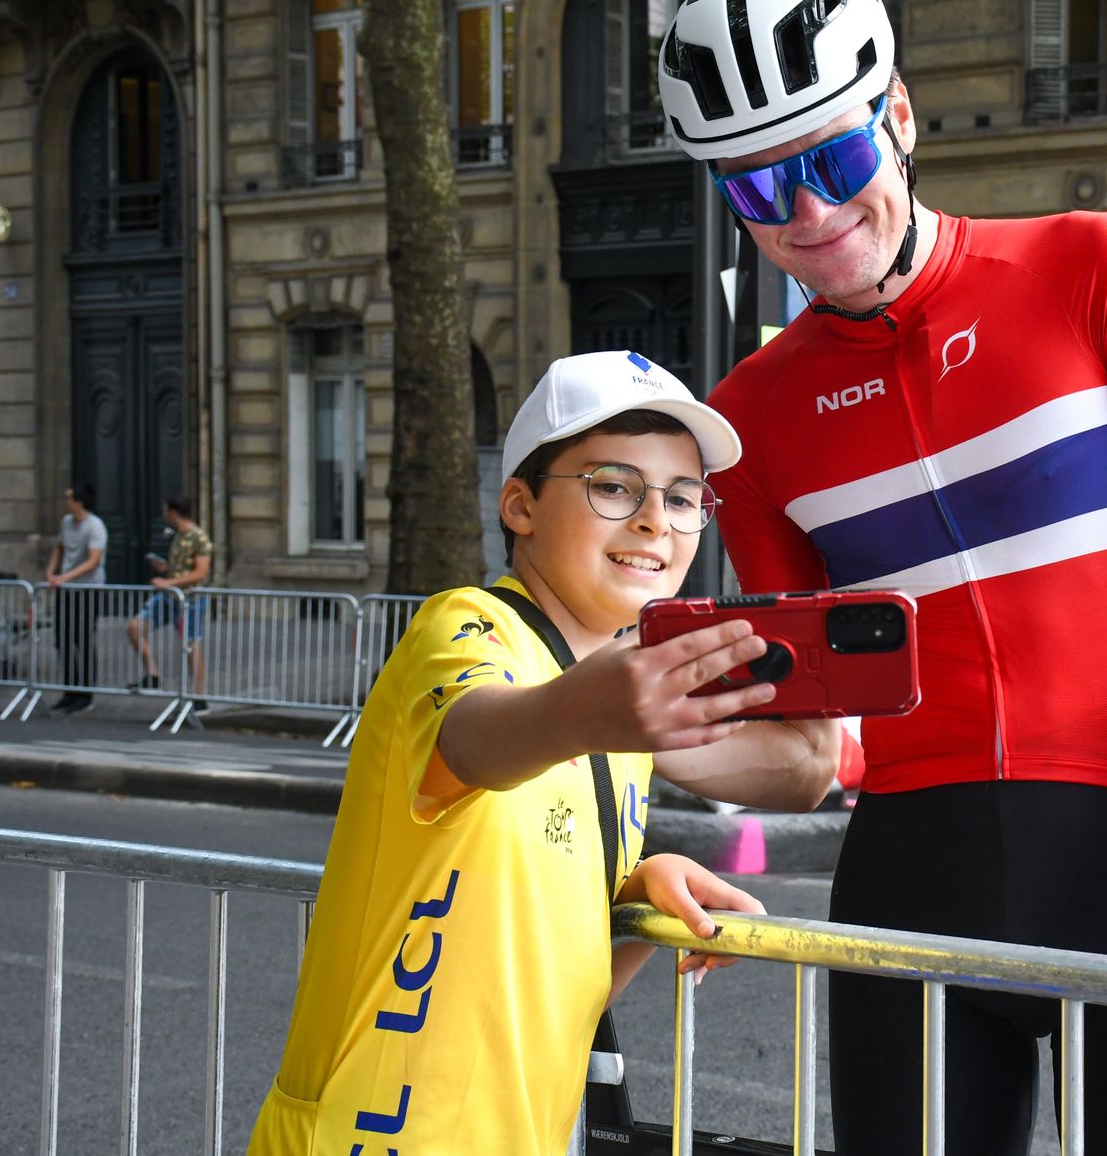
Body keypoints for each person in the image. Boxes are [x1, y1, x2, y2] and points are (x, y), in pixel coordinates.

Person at [659, 0, 1107, 1154]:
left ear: (899, 116)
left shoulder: (1096, 266)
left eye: (831, 161)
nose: (812, 218)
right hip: (908, 884)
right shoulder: (746, 420)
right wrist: (645, 731)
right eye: (759, 192)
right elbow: (813, 752)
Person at [246, 350, 839, 1154]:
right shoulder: (466, 626)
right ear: (519, 505)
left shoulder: (616, 708)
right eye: (613, 486)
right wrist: (586, 714)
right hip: (374, 1130)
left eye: (683, 497)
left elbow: (563, 979)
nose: (655, 522)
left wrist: (634, 907)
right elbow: (479, 737)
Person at [125, 495, 213, 709]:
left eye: (166, 512)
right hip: (169, 596)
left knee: (191, 644)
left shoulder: (198, 538)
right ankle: (153, 675)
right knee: (135, 628)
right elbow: (183, 569)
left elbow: (201, 573)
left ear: (174, 512)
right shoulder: (178, 536)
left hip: (190, 599)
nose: (164, 516)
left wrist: (169, 581)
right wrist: (165, 568)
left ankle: (199, 697)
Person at [44, 484, 107, 714]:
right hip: (66, 589)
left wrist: (65, 577)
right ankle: (69, 691)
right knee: (63, 640)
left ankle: (85, 694)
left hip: (87, 589)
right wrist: (51, 572)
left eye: (68, 498)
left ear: (79, 502)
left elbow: (94, 561)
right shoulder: (66, 523)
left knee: (83, 641)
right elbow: (59, 548)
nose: (64, 501)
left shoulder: (95, 526)